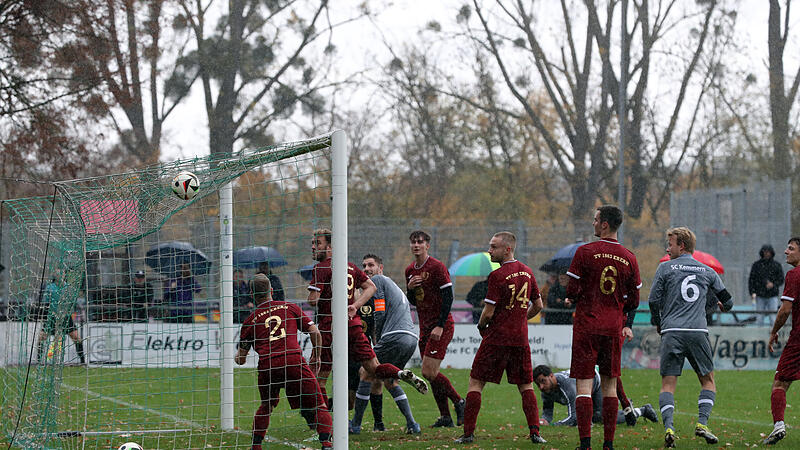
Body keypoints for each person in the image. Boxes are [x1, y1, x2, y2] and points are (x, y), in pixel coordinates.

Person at [307, 228, 428, 408]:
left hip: (330, 326)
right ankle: (401, 374)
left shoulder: (321, 268)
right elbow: (370, 287)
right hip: (353, 324)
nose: (313, 247)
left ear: (330, 246)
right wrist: (354, 306)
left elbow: (313, 301)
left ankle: (325, 427)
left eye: (318, 244)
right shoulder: (350, 267)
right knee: (374, 368)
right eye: (313, 244)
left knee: (321, 378)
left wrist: (315, 294)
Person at [455, 231, 547, 444]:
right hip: (520, 339)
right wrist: (521, 319)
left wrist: (481, 326)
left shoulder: (497, 276)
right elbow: (539, 306)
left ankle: (468, 433)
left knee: (476, 382)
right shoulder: (527, 272)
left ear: (507, 249)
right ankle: (535, 433)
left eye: (493, 247)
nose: (489, 250)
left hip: (496, 338)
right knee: (525, 385)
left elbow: (487, 313)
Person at [649, 226, 734, 448]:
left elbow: (653, 300)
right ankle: (702, 424)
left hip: (671, 332)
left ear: (682, 245)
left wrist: (659, 322)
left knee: (668, 385)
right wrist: (718, 305)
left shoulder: (665, 268)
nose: (668, 249)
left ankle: (669, 427)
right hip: (697, 332)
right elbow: (729, 302)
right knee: (708, 381)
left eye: (671, 244)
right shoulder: (707, 271)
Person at [565, 205, 641, 450]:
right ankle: (608, 444)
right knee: (610, 385)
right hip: (612, 328)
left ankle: (585, 444)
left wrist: (576, 296)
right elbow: (635, 300)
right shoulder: (629, 257)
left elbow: (572, 290)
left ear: (605, 224)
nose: (593, 224)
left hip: (587, 325)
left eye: (595, 220)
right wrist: (617, 306)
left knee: (584, 384)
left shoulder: (585, 252)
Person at [235, 273, 332, 450]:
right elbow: (315, 332)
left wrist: (239, 353)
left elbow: (240, 360)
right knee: (319, 404)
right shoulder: (290, 307)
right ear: (271, 290)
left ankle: (256, 446)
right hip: (293, 360)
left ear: (251, 294)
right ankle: (326, 443)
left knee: (266, 405)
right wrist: (316, 356)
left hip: (268, 365)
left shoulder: (249, 321)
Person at [349, 253, 422, 435]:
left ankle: (355, 425)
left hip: (394, 336)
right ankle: (412, 424)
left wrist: (379, 339)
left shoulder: (379, 281)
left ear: (380, 268)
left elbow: (380, 312)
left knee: (365, 372)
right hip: (410, 338)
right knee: (389, 380)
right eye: (364, 266)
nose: (366, 269)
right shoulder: (392, 285)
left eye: (370, 265)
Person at [405, 230, 465, 427]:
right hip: (425, 327)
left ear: (426, 246)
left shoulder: (437, 267)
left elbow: (448, 297)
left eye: (420, 242)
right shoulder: (409, 271)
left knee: (429, 372)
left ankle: (459, 402)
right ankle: (445, 417)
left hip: (441, 325)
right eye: (413, 242)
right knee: (431, 374)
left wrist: (440, 325)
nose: (416, 245)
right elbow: (413, 301)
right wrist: (410, 288)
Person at [762, 237, 800, 445]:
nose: (786, 252)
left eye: (791, 248)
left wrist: (774, 331)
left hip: (798, 339)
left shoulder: (794, 275)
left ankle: (778, 427)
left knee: (780, 383)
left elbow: (785, 310)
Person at [533, 365, 658, 427]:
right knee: (595, 418)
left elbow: (574, 418)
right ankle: (620, 405)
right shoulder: (546, 391)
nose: (541, 387)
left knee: (602, 417)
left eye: (543, 381)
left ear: (551, 376)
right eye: (538, 384)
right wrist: (543, 421)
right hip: (584, 388)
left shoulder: (567, 385)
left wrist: (556, 425)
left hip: (595, 382)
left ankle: (643, 410)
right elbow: (547, 413)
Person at [36, 272, 86, 365]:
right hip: (52, 317)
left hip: (66, 318)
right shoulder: (50, 287)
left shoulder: (68, 288)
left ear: (64, 275)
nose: (59, 275)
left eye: (61, 273)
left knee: (77, 338)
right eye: (57, 273)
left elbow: (73, 302)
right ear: (54, 275)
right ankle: (38, 361)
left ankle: (82, 361)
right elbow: (46, 303)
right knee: (41, 337)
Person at [749, 244, 784, 326]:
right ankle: (760, 337)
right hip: (760, 295)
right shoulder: (757, 265)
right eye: (765, 252)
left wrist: (773, 284)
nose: (766, 254)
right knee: (760, 317)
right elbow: (752, 279)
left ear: (771, 253)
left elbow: (781, 279)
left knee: (773, 317)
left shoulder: (776, 265)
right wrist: (752, 292)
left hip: (772, 295)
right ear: (762, 252)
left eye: (768, 252)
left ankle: (774, 335)